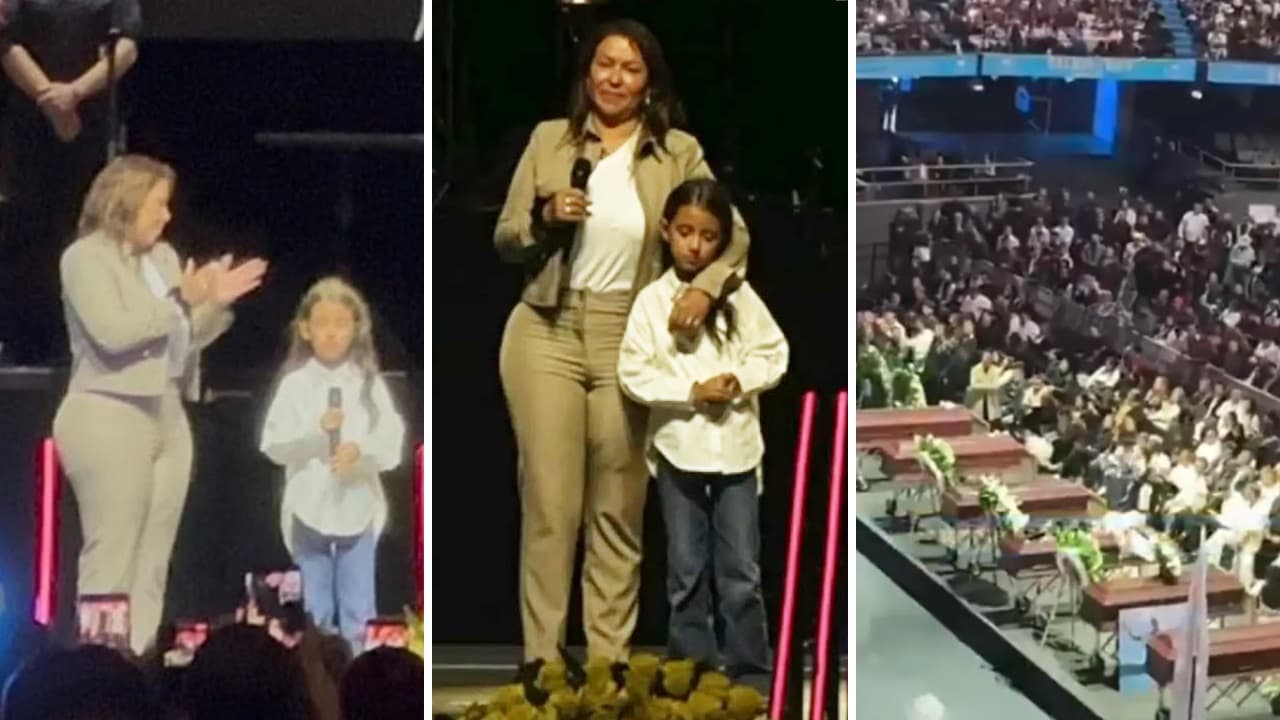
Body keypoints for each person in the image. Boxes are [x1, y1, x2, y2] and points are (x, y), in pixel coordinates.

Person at [493, 19, 749, 666]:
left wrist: (705, 288)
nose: (614, 78)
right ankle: (542, 664)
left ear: (649, 83)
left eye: (630, 69)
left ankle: (609, 662)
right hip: (546, 327)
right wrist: (544, 218)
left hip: (627, 334)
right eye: (604, 65)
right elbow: (505, 238)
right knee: (552, 505)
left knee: (618, 504)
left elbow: (735, 234)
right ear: (587, 74)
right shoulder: (551, 139)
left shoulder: (678, 152)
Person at [52, 154, 267, 655]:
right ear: (127, 201)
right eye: (159, 205)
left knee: (154, 558)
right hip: (108, 410)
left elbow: (184, 340)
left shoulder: (164, 260)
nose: (167, 217)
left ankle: (141, 660)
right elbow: (114, 332)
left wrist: (216, 301)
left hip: (167, 411)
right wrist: (180, 301)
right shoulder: (85, 258)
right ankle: (100, 666)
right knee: (113, 550)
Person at [617, 179, 786, 679]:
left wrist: (738, 381)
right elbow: (634, 371)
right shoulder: (651, 301)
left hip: (734, 450)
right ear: (667, 232)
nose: (695, 245)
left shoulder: (739, 296)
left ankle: (750, 670)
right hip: (679, 450)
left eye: (708, 236)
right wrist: (692, 391)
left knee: (740, 571)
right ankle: (691, 668)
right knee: (686, 570)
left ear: (722, 240)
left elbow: (774, 353)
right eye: (685, 232)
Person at [260, 277, 406, 656]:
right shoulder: (296, 385)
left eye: (340, 324)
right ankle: (318, 688)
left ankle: (359, 685)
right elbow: (272, 444)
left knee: (359, 609)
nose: (331, 334)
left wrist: (361, 452)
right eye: (322, 324)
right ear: (306, 329)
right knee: (315, 611)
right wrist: (313, 434)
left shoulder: (367, 383)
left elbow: (392, 440)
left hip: (357, 511)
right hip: (309, 512)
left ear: (355, 328)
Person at [0, 0, 143, 364]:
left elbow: (126, 47)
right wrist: (49, 99)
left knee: (87, 228)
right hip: (32, 125)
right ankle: (25, 345)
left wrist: (74, 93)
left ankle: (81, 344)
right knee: (29, 231)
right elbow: (6, 41)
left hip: (91, 123)